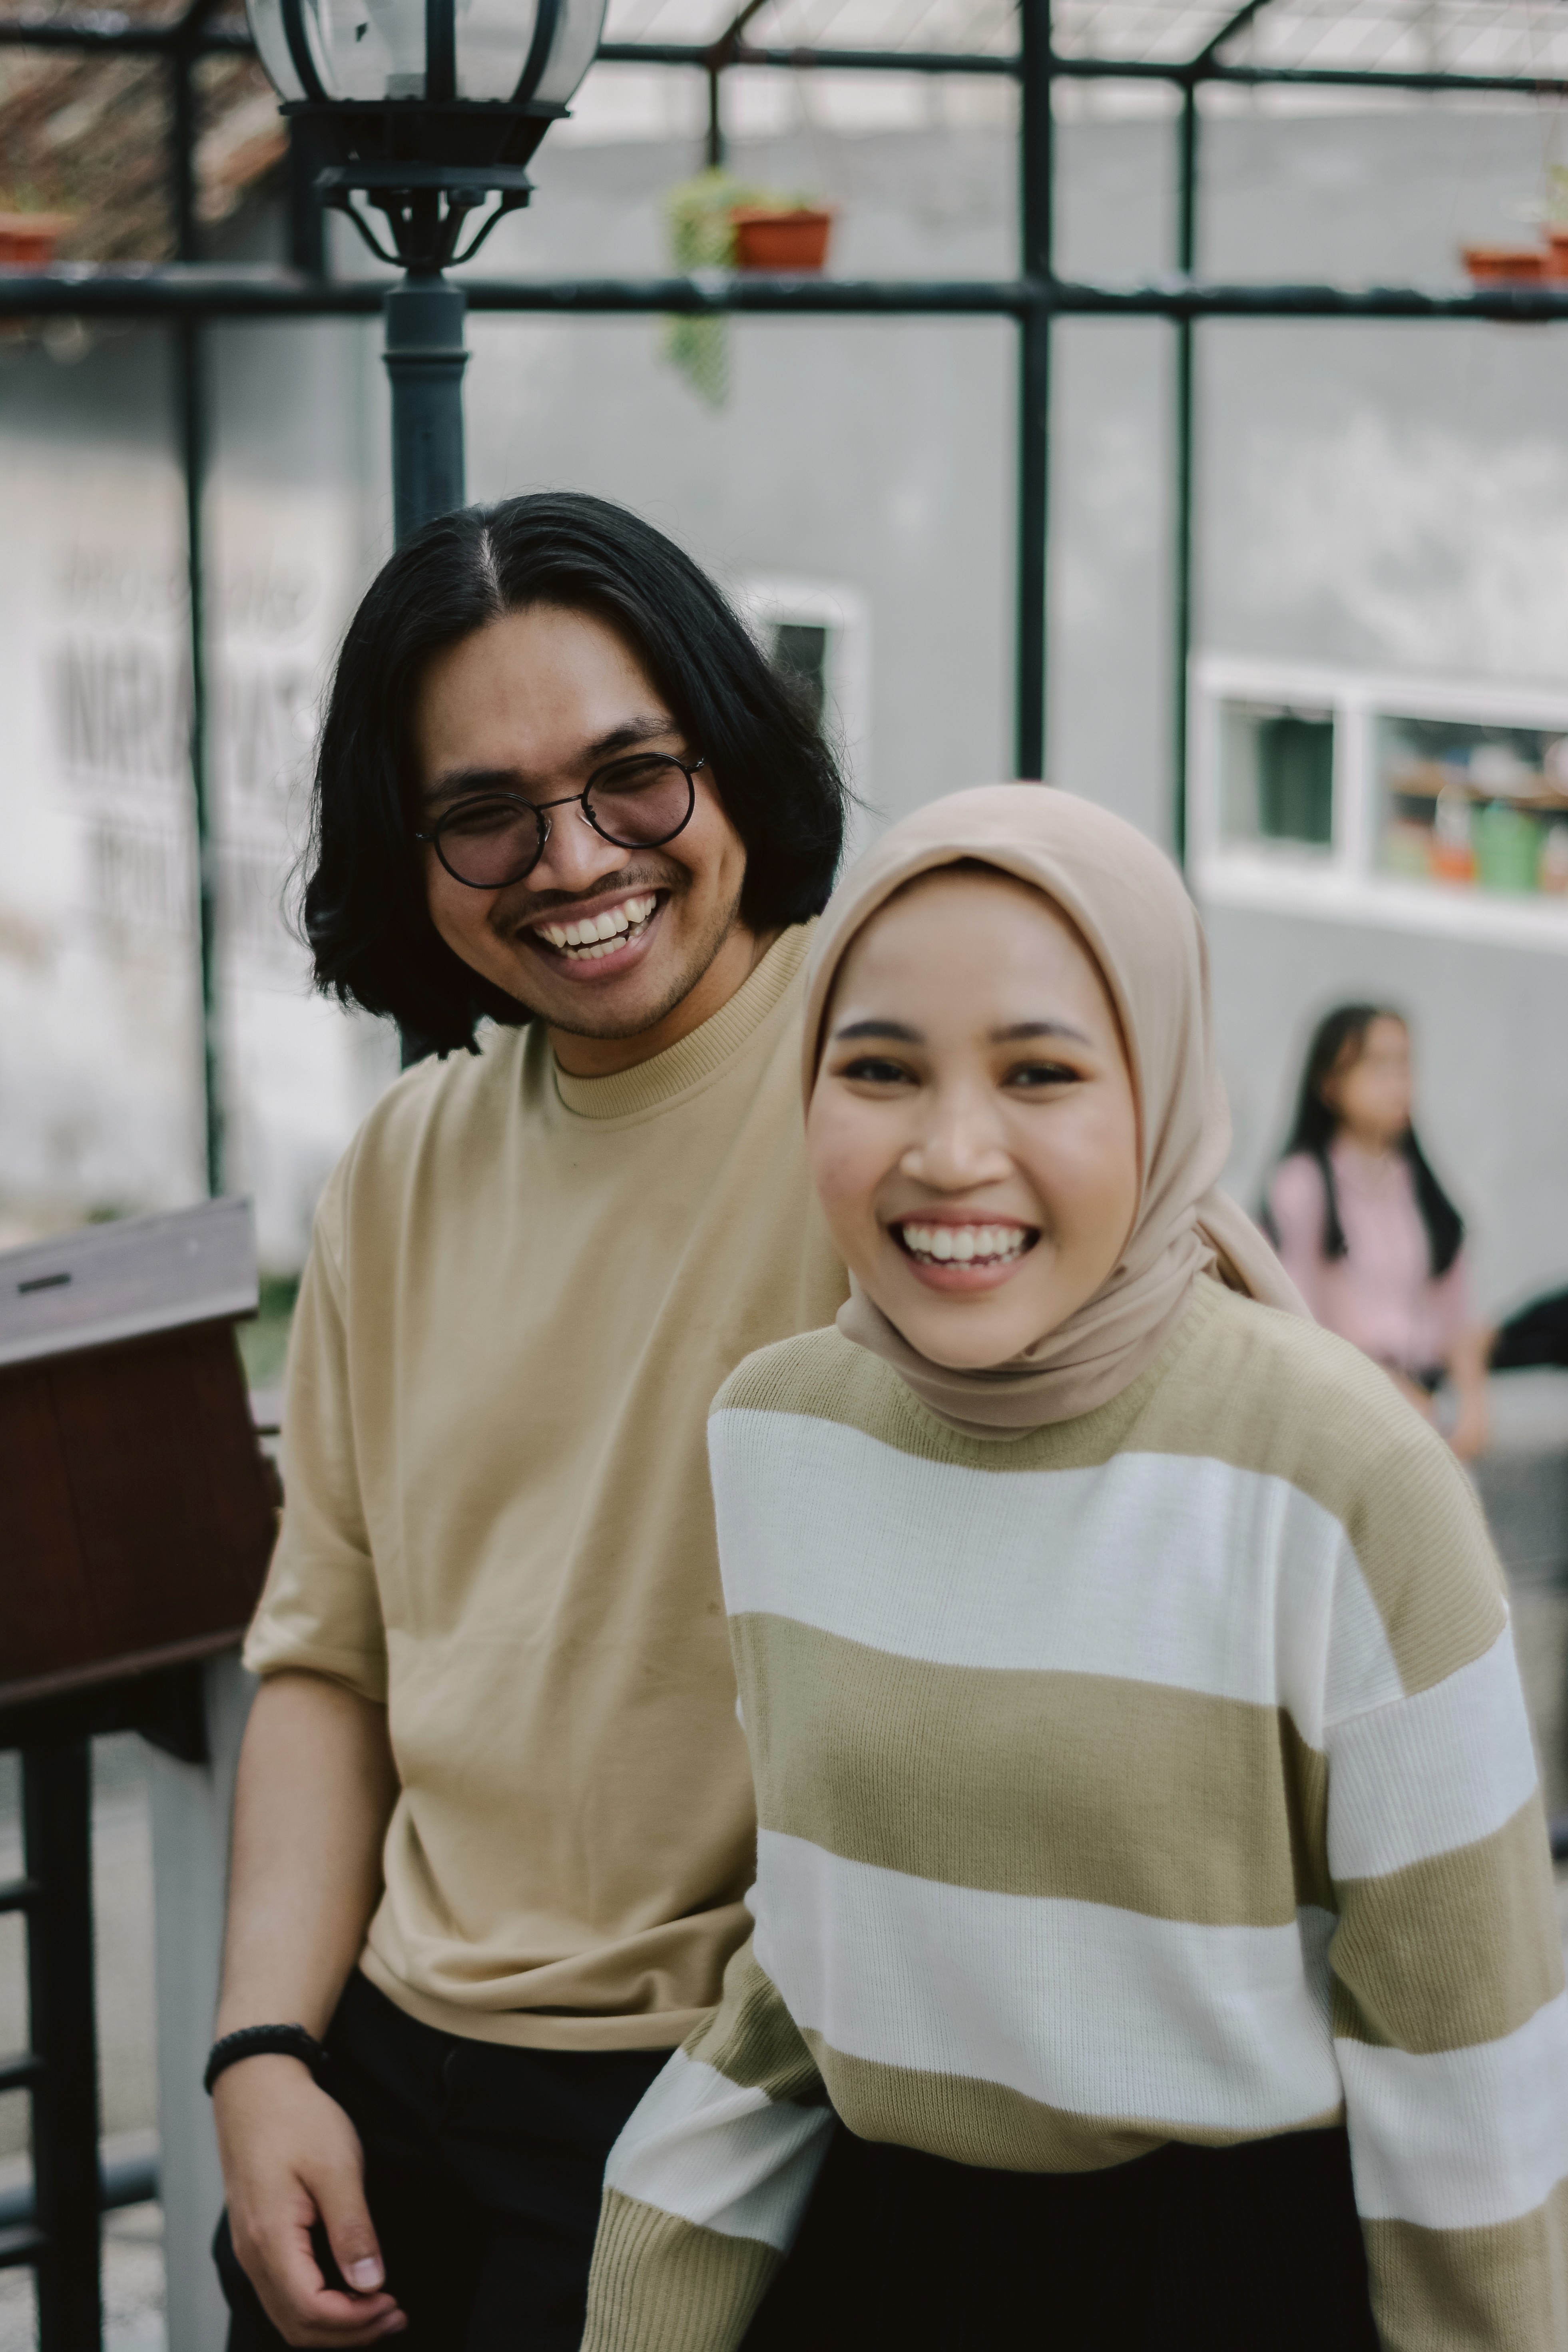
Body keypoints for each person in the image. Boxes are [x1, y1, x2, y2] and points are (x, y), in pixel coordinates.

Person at [580, 786, 1568, 2352]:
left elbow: (1464, 2057)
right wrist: (654, 2274)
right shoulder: (774, 1436)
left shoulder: (1335, 1472)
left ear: (1162, 1090)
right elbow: (814, 1939)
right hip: (875, 2267)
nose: (949, 1148)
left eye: (1038, 1071)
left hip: (1235, 2283)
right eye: (877, 1068)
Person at [206, 492, 851, 2352]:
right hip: (386, 2068)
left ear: (728, 751)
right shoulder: (406, 1164)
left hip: (735, 2090)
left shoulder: (875, 1062)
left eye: (632, 778)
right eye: (482, 811)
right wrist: (260, 2051)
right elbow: (327, 1657)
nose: (570, 860)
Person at [1265, 1004, 1568, 1462]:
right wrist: (1385, 1386)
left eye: (1404, 1064)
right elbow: (1295, 1327)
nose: (1397, 1083)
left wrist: (1472, 1408)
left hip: (1425, 1416)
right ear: (1328, 1084)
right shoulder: (1299, 1188)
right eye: (1376, 1065)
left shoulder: (1427, 1193)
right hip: (1336, 1423)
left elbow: (1456, 1325)